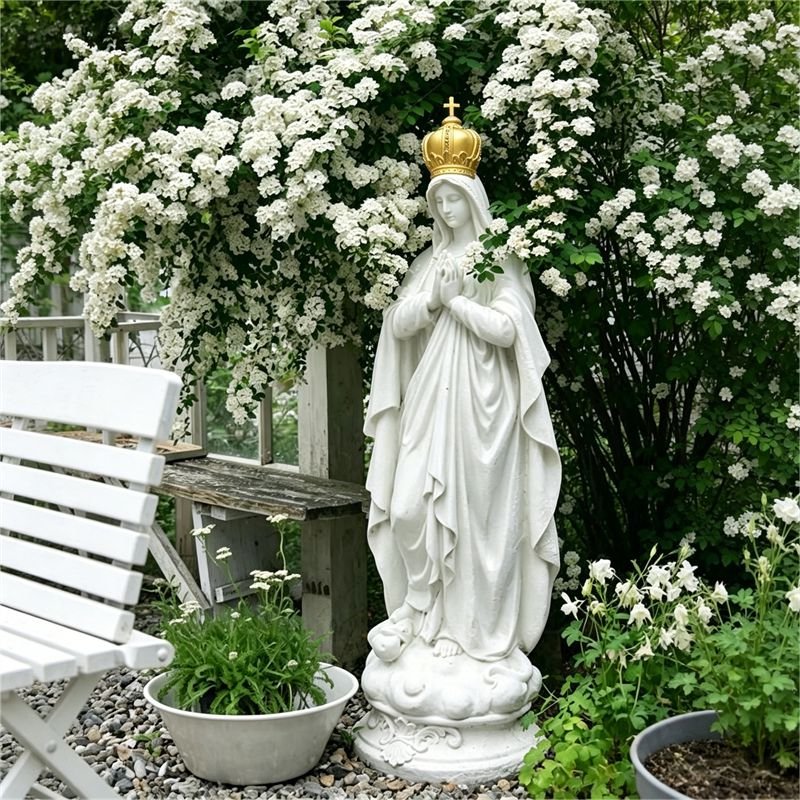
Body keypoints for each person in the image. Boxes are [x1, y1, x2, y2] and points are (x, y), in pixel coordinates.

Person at [364, 164, 561, 665]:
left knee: (475, 519)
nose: (446, 210)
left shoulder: (499, 259)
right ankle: (419, 604)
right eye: (438, 202)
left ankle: (464, 625)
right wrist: (432, 298)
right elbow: (398, 325)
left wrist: (457, 304)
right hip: (430, 397)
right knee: (409, 504)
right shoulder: (429, 261)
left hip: (483, 405)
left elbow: (510, 331)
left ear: (473, 200)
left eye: (453, 199)